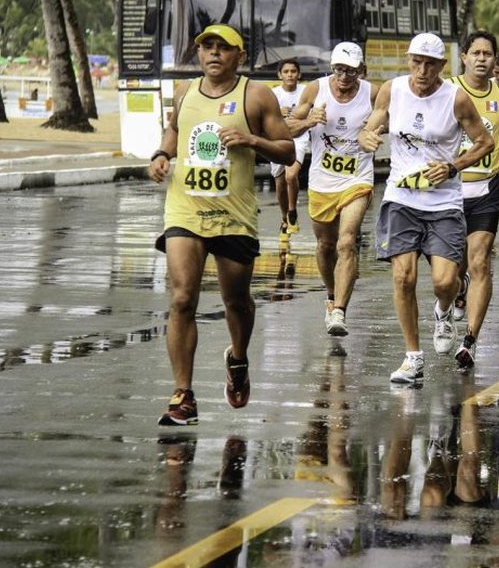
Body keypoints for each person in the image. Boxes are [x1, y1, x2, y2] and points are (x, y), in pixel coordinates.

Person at [147, 24, 296, 426]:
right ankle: (183, 395)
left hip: (234, 215)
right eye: (206, 47)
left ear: (239, 56)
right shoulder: (185, 93)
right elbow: (176, 128)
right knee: (182, 299)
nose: (213, 53)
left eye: (223, 48)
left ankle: (238, 357)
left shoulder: (256, 96)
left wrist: (252, 142)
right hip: (186, 210)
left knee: (236, 301)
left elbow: (287, 150)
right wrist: (162, 153)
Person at [358, 32, 494, 384]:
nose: (422, 70)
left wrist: (452, 167)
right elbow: (372, 124)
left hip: (444, 200)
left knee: (444, 280)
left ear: (441, 66)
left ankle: (444, 308)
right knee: (404, 277)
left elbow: (485, 142)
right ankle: (413, 357)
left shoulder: (456, 99)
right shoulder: (392, 89)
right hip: (401, 197)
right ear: (408, 60)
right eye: (416, 62)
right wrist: (367, 137)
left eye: (430, 64)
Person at [289, 42, 374, 337]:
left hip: (357, 180)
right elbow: (285, 127)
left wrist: (375, 131)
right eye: (339, 69)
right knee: (326, 246)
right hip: (322, 182)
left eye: (351, 71)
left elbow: (394, 119)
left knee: (346, 242)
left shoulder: (372, 93)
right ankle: (330, 293)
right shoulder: (316, 90)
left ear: (360, 71)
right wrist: (309, 120)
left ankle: (339, 310)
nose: (344, 77)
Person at [448, 30, 499, 368]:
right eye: (475, 53)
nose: (481, 59)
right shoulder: (447, 91)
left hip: (486, 189)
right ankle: (452, 295)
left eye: (487, 54)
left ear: (495, 60)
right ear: (463, 56)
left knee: (480, 263)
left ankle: (470, 340)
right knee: (452, 270)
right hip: (448, 192)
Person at [270, 59, 305, 248]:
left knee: (291, 175)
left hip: (299, 138)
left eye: (293, 71)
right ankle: (284, 219)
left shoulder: (306, 92)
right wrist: (277, 113)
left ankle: (292, 212)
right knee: (280, 182)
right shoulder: (273, 94)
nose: (290, 74)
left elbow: (312, 111)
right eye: (286, 71)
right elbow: (264, 117)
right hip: (277, 138)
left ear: (299, 74)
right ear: (280, 75)